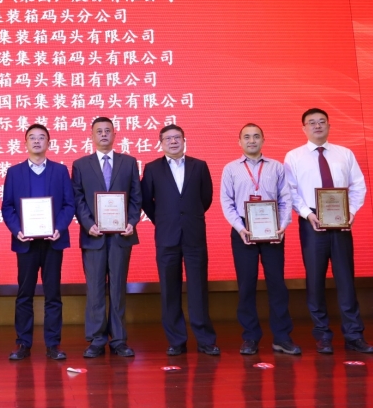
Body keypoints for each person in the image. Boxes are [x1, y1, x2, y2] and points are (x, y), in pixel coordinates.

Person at [283, 108, 373, 355]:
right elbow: (290, 191)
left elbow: (358, 186)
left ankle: (354, 335)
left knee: (346, 279)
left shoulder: (344, 154)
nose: (317, 126)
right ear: (303, 128)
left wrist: (351, 213)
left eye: (322, 122)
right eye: (311, 123)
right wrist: (307, 214)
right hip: (312, 221)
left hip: (342, 220)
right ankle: (323, 335)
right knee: (315, 280)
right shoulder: (293, 156)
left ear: (329, 125)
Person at [219, 123, 300, 356]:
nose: (251, 140)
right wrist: (240, 227)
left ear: (263, 140)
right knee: (246, 286)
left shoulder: (277, 167)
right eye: (246, 137)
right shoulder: (231, 169)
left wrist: (283, 226)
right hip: (244, 230)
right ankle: (250, 337)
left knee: (277, 285)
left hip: (273, 230)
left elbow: (286, 198)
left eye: (256, 136)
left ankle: (282, 338)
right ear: (239, 142)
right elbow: (227, 202)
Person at [140, 124, 220, 356]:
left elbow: (206, 198)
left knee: (198, 288)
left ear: (184, 141)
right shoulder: (152, 168)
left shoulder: (199, 166)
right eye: (168, 138)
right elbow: (147, 201)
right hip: (166, 236)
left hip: (194, 235)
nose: (173, 142)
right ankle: (176, 340)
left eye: (177, 138)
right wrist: (164, 220)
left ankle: (205, 340)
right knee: (169, 289)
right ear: (161, 142)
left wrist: (188, 218)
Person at [1, 124, 76, 361]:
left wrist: (59, 228)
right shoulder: (14, 172)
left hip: (53, 241)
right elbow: (7, 207)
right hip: (26, 242)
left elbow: (68, 204)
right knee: (24, 295)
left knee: (53, 294)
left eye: (41, 137)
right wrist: (17, 230)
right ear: (25, 143)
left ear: (48, 143)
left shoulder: (60, 170)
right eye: (31, 138)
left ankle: (53, 344)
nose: (36, 141)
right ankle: (23, 343)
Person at [71, 116, 141, 358]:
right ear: (91, 136)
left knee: (118, 287)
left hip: (122, 236)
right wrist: (88, 224)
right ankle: (97, 339)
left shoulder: (129, 162)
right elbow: (78, 199)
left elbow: (136, 197)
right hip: (93, 236)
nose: (103, 134)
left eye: (107, 131)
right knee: (95, 289)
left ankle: (119, 339)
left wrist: (132, 222)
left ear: (114, 134)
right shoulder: (80, 164)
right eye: (98, 131)